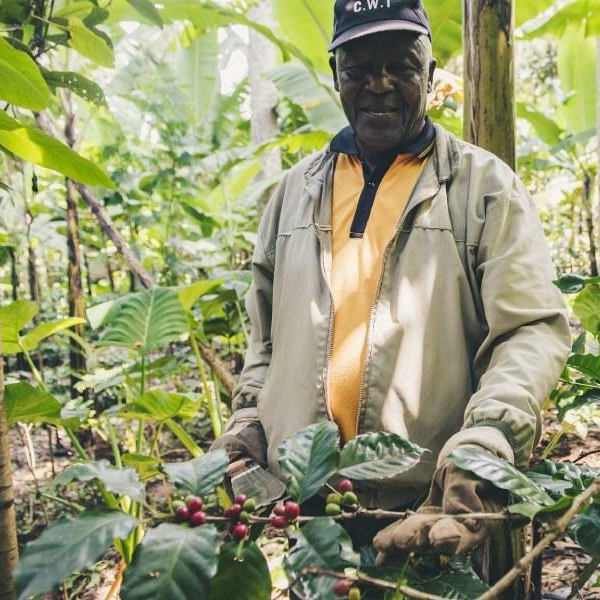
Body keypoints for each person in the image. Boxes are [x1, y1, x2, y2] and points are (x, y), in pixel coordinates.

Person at [212, 0, 570, 577]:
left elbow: (529, 331)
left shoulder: (482, 187)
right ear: (335, 79)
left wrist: (485, 444)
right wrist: (247, 428)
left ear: (430, 77)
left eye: (400, 67)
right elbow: (266, 345)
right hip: (317, 514)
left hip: (436, 506)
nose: (378, 86)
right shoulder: (291, 194)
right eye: (358, 69)